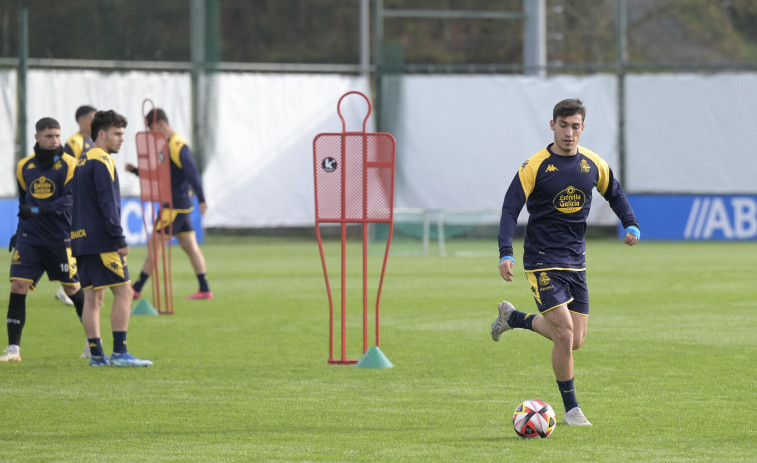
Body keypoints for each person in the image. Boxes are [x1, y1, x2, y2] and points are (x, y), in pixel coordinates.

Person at [491, 98, 640, 426]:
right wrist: (505, 251)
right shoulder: (535, 165)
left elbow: (614, 193)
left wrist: (630, 223)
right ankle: (572, 409)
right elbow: (510, 209)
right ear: (552, 126)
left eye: (575, 126)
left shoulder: (592, 164)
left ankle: (513, 318)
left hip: (576, 261)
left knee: (575, 340)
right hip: (542, 260)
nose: (569, 133)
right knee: (565, 333)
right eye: (563, 125)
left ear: (582, 128)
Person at [1, 117, 89, 362]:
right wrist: (19, 232)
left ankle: (93, 342)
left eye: (58, 135)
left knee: (71, 288)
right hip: (30, 238)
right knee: (18, 285)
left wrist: (39, 211)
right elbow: (24, 204)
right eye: (49, 136)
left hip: (60, 238)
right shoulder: (24, 167)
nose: (55, 141)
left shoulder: (71, 165)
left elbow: (68, 201)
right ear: (37, 137)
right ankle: (13, 350)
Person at [71, 109, 152, 367]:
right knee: (125, 293)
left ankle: (97, 356)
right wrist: (118, 238)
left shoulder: (82, 160)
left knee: (93, 298)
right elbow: (107, 203)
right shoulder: (102, 160)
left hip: (82, 240)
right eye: (117, 134)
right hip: (102, 241)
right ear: (102, 133)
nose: (121, 139)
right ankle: (119, 353)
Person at [125, 108, 212, 301]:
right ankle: (205, 289)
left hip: (172, 207)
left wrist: (202, 199)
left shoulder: (177, 145)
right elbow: (161, 175)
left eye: (152, 128)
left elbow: (192, 173)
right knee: (190, 246)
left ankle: (137, 288)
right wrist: (136, 171)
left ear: (161, 124)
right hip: (181, 207)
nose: (151, 133)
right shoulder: (168, 145)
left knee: (154, 246)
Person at [53, 105, 97, 308]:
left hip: (86, 201)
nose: (95, 121)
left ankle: (74, 287)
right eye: (92, 117)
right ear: (81, 120)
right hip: (75, 203)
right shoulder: (74, 143)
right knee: (78, 243)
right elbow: (64, 170)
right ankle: (67, 288)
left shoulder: (91, 141)